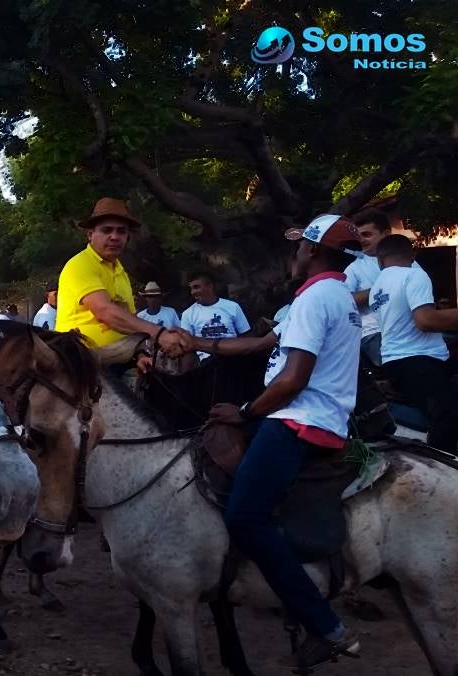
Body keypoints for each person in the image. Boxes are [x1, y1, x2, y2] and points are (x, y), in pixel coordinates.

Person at [208, 214, 363, 670]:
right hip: (315, 416)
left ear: (312, 251)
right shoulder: (336, 295)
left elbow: (294, 379)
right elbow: (267, 352)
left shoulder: (316, 298)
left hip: (297, 420)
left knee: (244, 516)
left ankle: (325, 626)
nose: (294, 254)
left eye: (300, 248)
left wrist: (246, 411)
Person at [56, 198, 190, 360]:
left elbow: (130, 320)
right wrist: (159, 334)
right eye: (107, 230)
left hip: (117, 360)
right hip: (80, 361)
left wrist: (140, 355)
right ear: (90, 235)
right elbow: (105, 311)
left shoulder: (120, 271)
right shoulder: (80, 265)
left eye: (121, 231)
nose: (115, 237)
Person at [370, 234, 458, 451]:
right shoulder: (414, 275)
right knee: (449, 413)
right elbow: (426, 320)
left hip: (396, 360)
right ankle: (442, 467)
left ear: (379, 260)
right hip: (417, 361)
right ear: (413, 255)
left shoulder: (377, 288)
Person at [343, 211, 421, 367]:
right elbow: (344, 301)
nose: (362, 240)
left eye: (367, 234)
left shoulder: (410, 262)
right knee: (403, 367)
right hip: (373, 332)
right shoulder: (353, 267)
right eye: (358, 236)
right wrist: (383, 288)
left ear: (386, 234)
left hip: (410, 326)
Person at [181, 271, 251, 359]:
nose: (192, 292)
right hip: (206, 364)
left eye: (196, 287)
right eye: (191, 288)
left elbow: (246, 335)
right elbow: (187, 343)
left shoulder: (232, 306)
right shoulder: (187, 314)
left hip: (233, 356)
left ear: (210, 286)